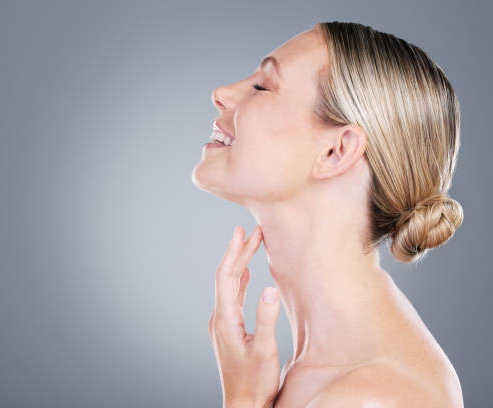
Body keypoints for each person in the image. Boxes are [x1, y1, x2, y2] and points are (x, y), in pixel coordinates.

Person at [192, 21, 464, 408]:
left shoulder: (372, 397)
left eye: (263, 87)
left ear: (337, 151)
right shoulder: (317, 370)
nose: (221, 94)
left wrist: (241, 402)